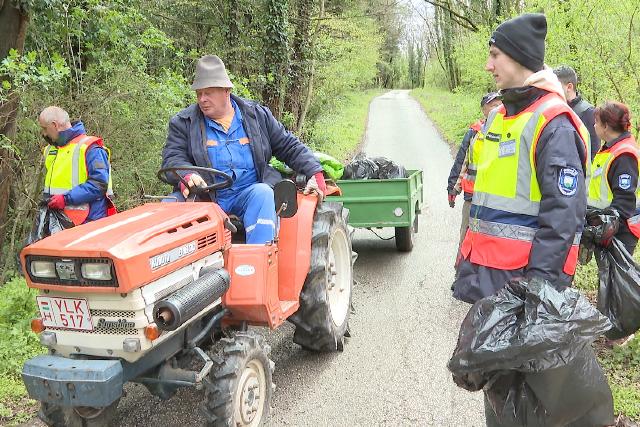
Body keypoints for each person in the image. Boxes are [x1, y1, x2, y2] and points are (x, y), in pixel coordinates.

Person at [452, 13, 591, 304]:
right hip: (487, 277)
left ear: (518, 56)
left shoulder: (554, 123)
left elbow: (562, 218)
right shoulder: (498, 117)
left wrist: (538, 293)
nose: (488, 65)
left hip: (523, 286)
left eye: (495, 55)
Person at [161, 55, 325, 244]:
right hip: (206, 198)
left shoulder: (256, 115)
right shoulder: (183, 122)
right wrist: (187, 176)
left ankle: (259, 264)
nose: (202, 99)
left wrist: (315, 172)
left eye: (208, 93)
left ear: (226, 91)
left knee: (263, 193)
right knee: (168, 208)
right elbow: (173, 158)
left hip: (249, 194)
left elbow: (288, 145)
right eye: (199, 93)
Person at [39, 106, 114, 226]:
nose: (44, 133)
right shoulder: (51, 150)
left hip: (89, 222)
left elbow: (99, 184)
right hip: (59, 221)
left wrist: (65, 198)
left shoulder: (91, 148)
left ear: (54, 125)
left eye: (44, 128)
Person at [447, 92, 502, 244]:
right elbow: (461, 162)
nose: (498, 109)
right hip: (472, 197)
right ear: (484, 110)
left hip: (497, 199)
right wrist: (453, 188)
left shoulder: (509, 130)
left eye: (500, 105)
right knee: (466, 236)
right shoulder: (474, 133)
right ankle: (461, 265)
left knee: (491, 240)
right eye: (493, 106)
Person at [588, 101, 640, 254]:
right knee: (608, 277)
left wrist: (603, 226)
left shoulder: (624, 155)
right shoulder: (610, 149)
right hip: (608, 226)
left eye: (596, 122)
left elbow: (624, 201)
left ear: (605, 126)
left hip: (621, 229)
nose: (594, 126)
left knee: (618, 277)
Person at [554, 65, 600, 158]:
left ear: (569, 87)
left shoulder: (588, 112)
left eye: (556, 86)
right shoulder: (554, 110)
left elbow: (594, 151)